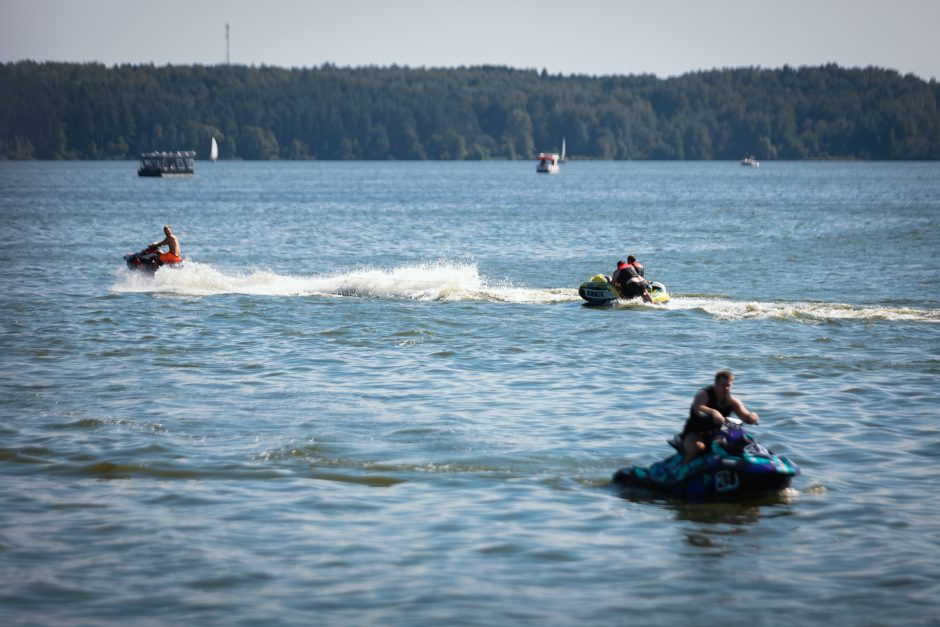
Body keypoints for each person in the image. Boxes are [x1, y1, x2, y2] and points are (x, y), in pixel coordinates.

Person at [680, 370, 759, 463]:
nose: (726, 388)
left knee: (733, 447)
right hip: (694, 433)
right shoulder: (704, 394)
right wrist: (713, 412)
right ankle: (681, 472)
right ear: (716, 384)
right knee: (698, 448)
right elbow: (698, 408)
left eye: (728, 385)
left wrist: (753, 417)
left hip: (716, 434)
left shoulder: (732, 402)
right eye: (723, 385)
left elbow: (746, 416)